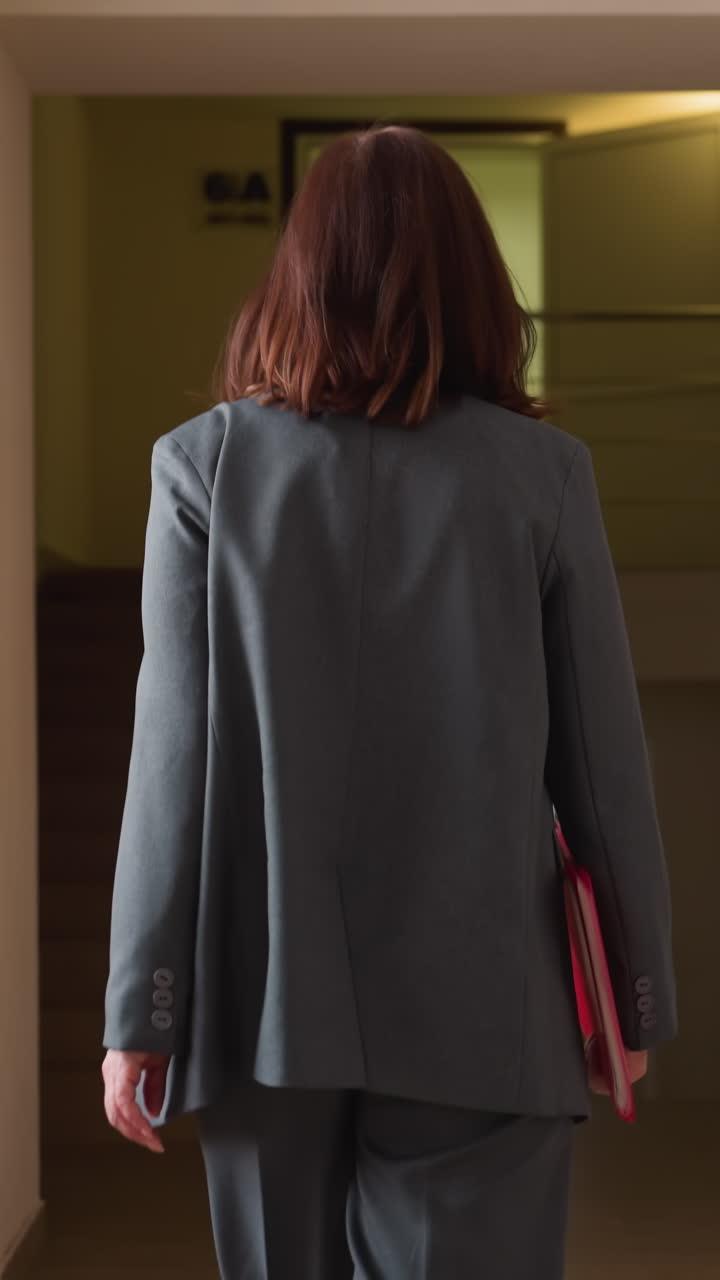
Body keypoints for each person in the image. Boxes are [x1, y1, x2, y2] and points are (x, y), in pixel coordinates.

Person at [101, 124, 678, 1279]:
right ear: (475, 282)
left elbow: (172, 767)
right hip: (487, 1011)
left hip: (261, 1008)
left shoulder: (202, 466)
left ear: (297, 276)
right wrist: (634, 997)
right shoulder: (545, 477)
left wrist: (142, 1011)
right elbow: (603, 770)